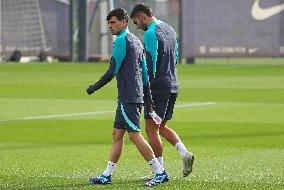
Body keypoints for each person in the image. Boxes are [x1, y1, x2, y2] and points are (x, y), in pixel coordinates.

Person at [86, 8, 169, 187]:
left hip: (128, 96)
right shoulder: (137, 42)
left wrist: (94, 87)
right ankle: (107, 175)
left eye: (113, 22)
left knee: (134, 135)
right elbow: (145, 74)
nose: (110, 26)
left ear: (124, 22)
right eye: (108, 23)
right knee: (117, 134)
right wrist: (148, 100)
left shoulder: (122, 41)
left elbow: (112, 70)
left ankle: (160, 172)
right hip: (133, 95)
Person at [130, 3, 195, 178]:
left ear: (142, 16)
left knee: (151, 129)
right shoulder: (170, 28)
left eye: (136, 22)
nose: (137, 26)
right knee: (161, 126)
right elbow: (175, 57)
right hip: (173, 83)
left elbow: (151, 64)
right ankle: (184, 153)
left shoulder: (151, 33)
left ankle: (159, 171)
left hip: (157, 87)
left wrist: (144, 87)